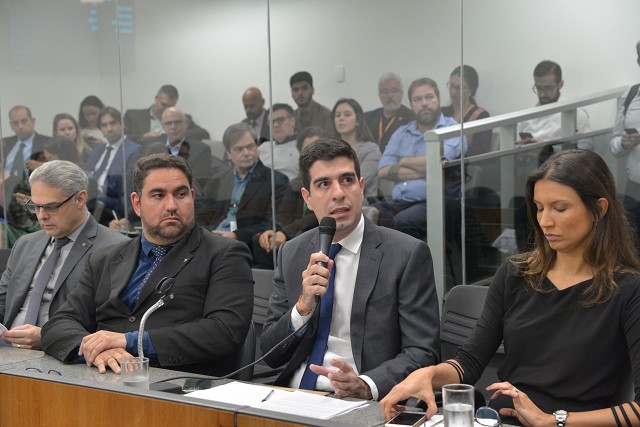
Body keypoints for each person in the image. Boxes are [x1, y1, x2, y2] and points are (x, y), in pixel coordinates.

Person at [381, 149, 640, 426]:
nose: (545, 221)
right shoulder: (516, 273)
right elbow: (469, 361)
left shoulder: (628, 289)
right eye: (539, 208)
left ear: (599, 209)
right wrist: (429, 374)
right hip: (500, 420)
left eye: (560, 208)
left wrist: (552, 421)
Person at [41, 154, 254, 376]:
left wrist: (129, 341)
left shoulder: (224, 254)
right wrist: (95, 351)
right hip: (100, 378)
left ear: (192, 197)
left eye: (180, 194)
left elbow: (224, 332)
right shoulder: (103, 260)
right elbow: (59, 324)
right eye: (158, 195)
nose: (171, 206)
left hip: (176, 384)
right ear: (137, 204)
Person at [261, 138, 440, 401]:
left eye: (347, 180)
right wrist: (302, 307)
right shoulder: (291, 253)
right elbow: (270, 354)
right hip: (295, 394)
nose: (338, 193)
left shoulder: (406, 254)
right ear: (307, 198)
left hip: (364, 399)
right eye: (324, 184)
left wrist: (366, 385)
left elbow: (423, 352)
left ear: (361, 187)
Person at [0, 161, 128, 349]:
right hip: (7, 348)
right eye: (35, 206)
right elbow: (2, 301)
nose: (41, 216)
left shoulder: (116, 249)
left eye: (51, 207)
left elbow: (111, 328)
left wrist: (47, 337)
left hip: (61, 354)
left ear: (80, 199)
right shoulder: (25, 244)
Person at [375, 77, 466, 239]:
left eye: (429, 97)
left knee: (403, 221)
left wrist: (403, 161)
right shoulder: (401, 133)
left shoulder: (453, 129)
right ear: (411, 105)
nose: (424, 103)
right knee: (366, 215)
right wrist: (426, 168)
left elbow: (436, 163)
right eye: (417, 99)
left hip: (438, 202)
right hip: (399, 202)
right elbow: (382, 170)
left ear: (438, 99)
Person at [196, 122, 290, 253]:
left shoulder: (276, 180)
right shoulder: (217, 179)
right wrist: (208, 235)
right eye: (239, 149)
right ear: (228, 153)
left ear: (256, 146)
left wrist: (237, 235)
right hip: (211, 241)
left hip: (245, 245)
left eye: (250, 147)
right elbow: (201, 214)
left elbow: (273, 223)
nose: (246, 153)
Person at [254, 127, 324, 268]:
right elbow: (283, 214)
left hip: (317, 236)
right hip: (294, 234)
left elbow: (319, 216)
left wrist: (285, 233)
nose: (313, 155)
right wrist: (272, 231)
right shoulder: (296, 184)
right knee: (258, 242)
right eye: (307, 150)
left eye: (317, 149)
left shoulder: (329, 182)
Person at [517, 61, 591, 152]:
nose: (542, 94)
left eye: (548, 88)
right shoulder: (526, 118)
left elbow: (585, 149)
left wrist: (547, 148)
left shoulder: (576, 114)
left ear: (560, 85)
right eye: (538, 88)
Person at [86, 106, 142, 224]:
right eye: (104, 125)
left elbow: (129, 185)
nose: (109, 128)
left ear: (122, 124)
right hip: (90, 201)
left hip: (113, 205)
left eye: (113, 123)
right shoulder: (97, 151)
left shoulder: (134, 150)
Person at [610, 40, 640, 236]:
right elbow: (614, 143)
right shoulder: (631, 95)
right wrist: (623, 142)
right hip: (634, 190)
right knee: (633, 246)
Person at [146, 107, 213, 189]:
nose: (173, 126)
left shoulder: (201, 149)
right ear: (163, 126)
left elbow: (199, 183)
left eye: (177, 122)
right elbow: (142, 175)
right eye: (168, 123)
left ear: (185, 123)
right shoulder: (151, 144)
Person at [123, 84, 209, 144]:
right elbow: (122, 138)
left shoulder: (180, 119)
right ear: (156, 99)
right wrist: (143, 137)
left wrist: (177, 133)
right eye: (163, 105)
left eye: (170, 106)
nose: (166, 109)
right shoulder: (133, 115)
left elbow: (204, 134)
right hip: (143, 157)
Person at [333, 98, 381, 201]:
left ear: (358, 120)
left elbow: (355, 183)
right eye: (337, 115)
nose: (341, 118)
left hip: (362, 205)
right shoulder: (329, 150)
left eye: (347, 114)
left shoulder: (371, 149)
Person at [441, 65, 492, 156]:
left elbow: (481, 151)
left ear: (471, 90)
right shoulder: (441, 113)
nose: (453, 91)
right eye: (451, 86)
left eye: (459, 88)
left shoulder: (481, 116)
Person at [364, 73, 415, 153]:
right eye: (385, 91)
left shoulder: (411, 118)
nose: (390, 95)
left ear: (401, 94)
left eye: (395, 91)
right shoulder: (368, 118)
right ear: (379, 95)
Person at [3, 105, 52, 180]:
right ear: (11, 126)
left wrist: (41, 167)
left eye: (24, 121)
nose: (20, 126)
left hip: (31, 184)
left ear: (33, 121)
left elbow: (57, 169)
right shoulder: (3, 143)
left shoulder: (48, 143)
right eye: (15, 123)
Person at [258, 103, 299, 181]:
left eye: (280, 120)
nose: (275, 125)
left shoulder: (302, 147)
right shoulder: (263, 148)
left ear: (292, 121)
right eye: (271, 122)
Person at [290, 71, 334, 136]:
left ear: (312, 90)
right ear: (291, 93)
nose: (300, 93)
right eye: (296, 90)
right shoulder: (291, 118)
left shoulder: (326, 115)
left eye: (304, 88)